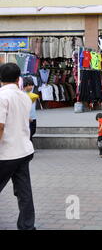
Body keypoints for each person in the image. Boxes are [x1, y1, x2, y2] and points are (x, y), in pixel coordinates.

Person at [0, 63, 36, 230]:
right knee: (24, 192)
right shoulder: (24, 97)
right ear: (18, 78)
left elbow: (0, 126)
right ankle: (27, 226)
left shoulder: (2, 96)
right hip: (24, 150)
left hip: (6, 153)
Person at [23, 77, 39, 143]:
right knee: (28, 133)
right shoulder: (22, 95)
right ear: (24, 86)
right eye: (29, 85)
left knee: (33, 131)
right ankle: (29, 148)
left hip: (33, 116)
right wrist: (27, 117)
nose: (31, 87)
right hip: (27, 117)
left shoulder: (33, 94)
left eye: (32, 85)